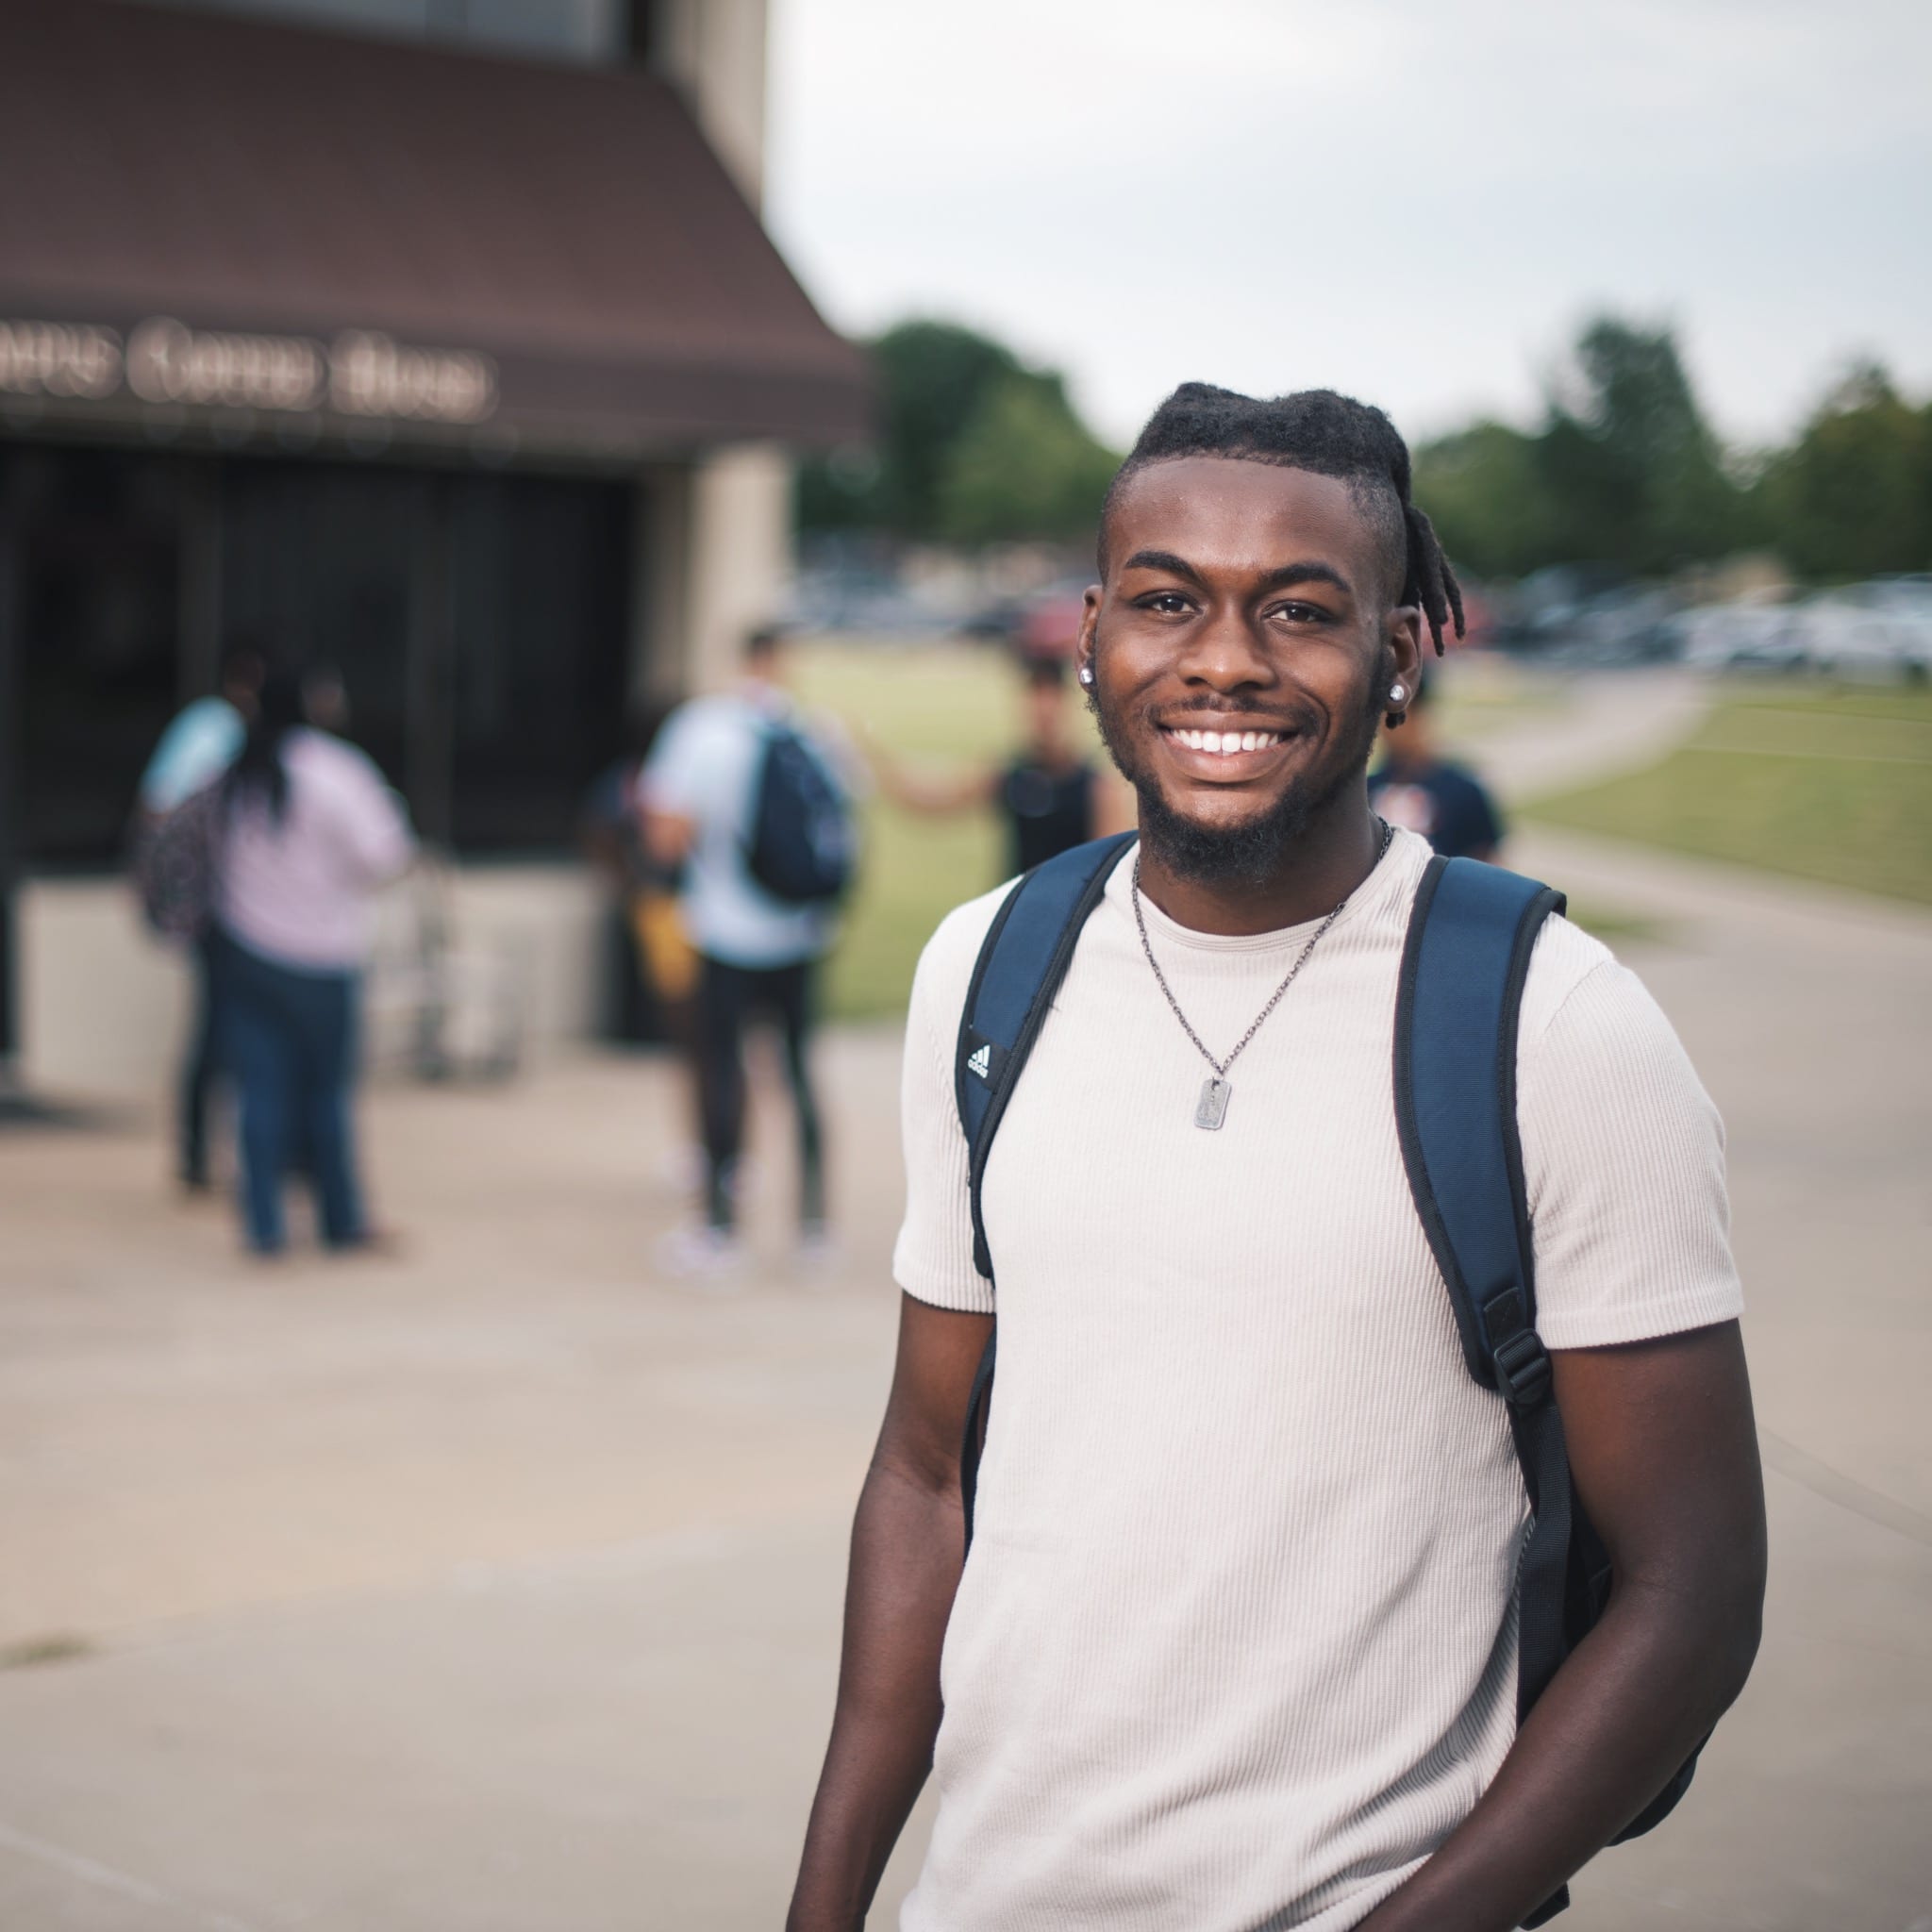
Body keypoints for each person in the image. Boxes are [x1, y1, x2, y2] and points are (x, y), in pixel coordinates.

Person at [789, 386, 1765, 1932]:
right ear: (1096, 632)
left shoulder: (1554, 1025)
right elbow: (923, 1474)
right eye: (1167, 600)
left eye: (1297, 610)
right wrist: (825, 1897)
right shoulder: (987, 969)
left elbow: (1689, 1590)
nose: (1223, 656)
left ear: (1395, 652)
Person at [640, 627, 852, 1278]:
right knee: (798, 1072)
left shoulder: (701, 730)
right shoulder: (816, 731)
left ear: (739, 661)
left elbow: (668, 838)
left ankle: (720, 1231)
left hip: (725, 931)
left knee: (722, 1070)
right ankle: (815, 1228)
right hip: (803, 933)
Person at [210, 665, 415, 1256]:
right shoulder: (335, 770)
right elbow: (385, 856)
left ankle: (264, 1224)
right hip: (322, 957)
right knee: (326, 1094)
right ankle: (340, 1219)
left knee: (259, 1092)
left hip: (248, 952)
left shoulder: (237, 768)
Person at [136, 644, 264, 1192]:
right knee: (216, 1032)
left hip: (259, 913)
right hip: (219, 912)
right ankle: (196, 1155)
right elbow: (160, 808)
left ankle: (251, 1152)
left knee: (247, 1036)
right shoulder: (210, 730)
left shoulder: (274, 743)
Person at [870, 655, 1130, 877]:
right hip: (1014, 912)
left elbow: (1110, 869)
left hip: (1070, 920)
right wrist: (875, 760)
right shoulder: (1008, 774)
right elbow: (931, 800)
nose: (1043, 711)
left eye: (1051, 698)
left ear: (1066, 704)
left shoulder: (1096, 787)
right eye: (1035, 697)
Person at [1367, 674, 1505, 859]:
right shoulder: (1366, 790)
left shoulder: (1464, 791)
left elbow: (1487, 871)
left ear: (1422, 713)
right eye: (1382, 716)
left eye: (1398, 716)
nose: (1387, 728)